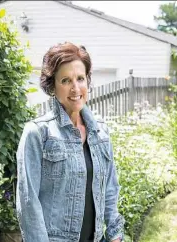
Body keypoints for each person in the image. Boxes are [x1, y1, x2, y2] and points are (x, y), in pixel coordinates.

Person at [16, 42, 125, 242]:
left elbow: (109, 188)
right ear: (52, 86)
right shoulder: (37, 133)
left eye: (80, 79)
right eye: (66, 80)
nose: (75, 88)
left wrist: (115, 234)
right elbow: (28, 203)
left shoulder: (100, 132)